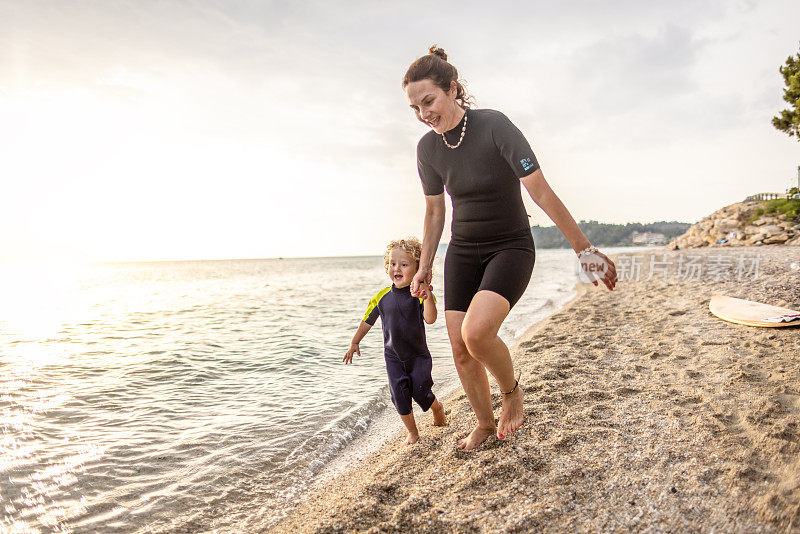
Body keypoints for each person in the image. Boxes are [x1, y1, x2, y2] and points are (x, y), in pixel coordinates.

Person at [403, 46, 617, 450]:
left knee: (478, 333)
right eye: (415, 107)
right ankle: (484, 423)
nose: (423, 114)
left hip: (511, 247)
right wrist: (425, 265)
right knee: (459, 349)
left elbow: (539, 189)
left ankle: (511, 391)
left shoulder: (495, 126)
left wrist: (583, 250)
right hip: (463, 251)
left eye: (428, 101)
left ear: (452, 89)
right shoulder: (427, 150)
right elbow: (435, 213)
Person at [343, 237, 447, 446]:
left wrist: (427, 296)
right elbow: (367, 320)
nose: (396, 268)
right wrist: (355, 342)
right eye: (392, 263)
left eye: (404, 264)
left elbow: (431, 319)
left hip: (418, 355)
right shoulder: (381, 297)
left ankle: (437, 407)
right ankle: (413, 433)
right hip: (393, 357)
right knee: (399, 395)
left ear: (418, 268)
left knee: (420, 392)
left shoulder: (419, 294)